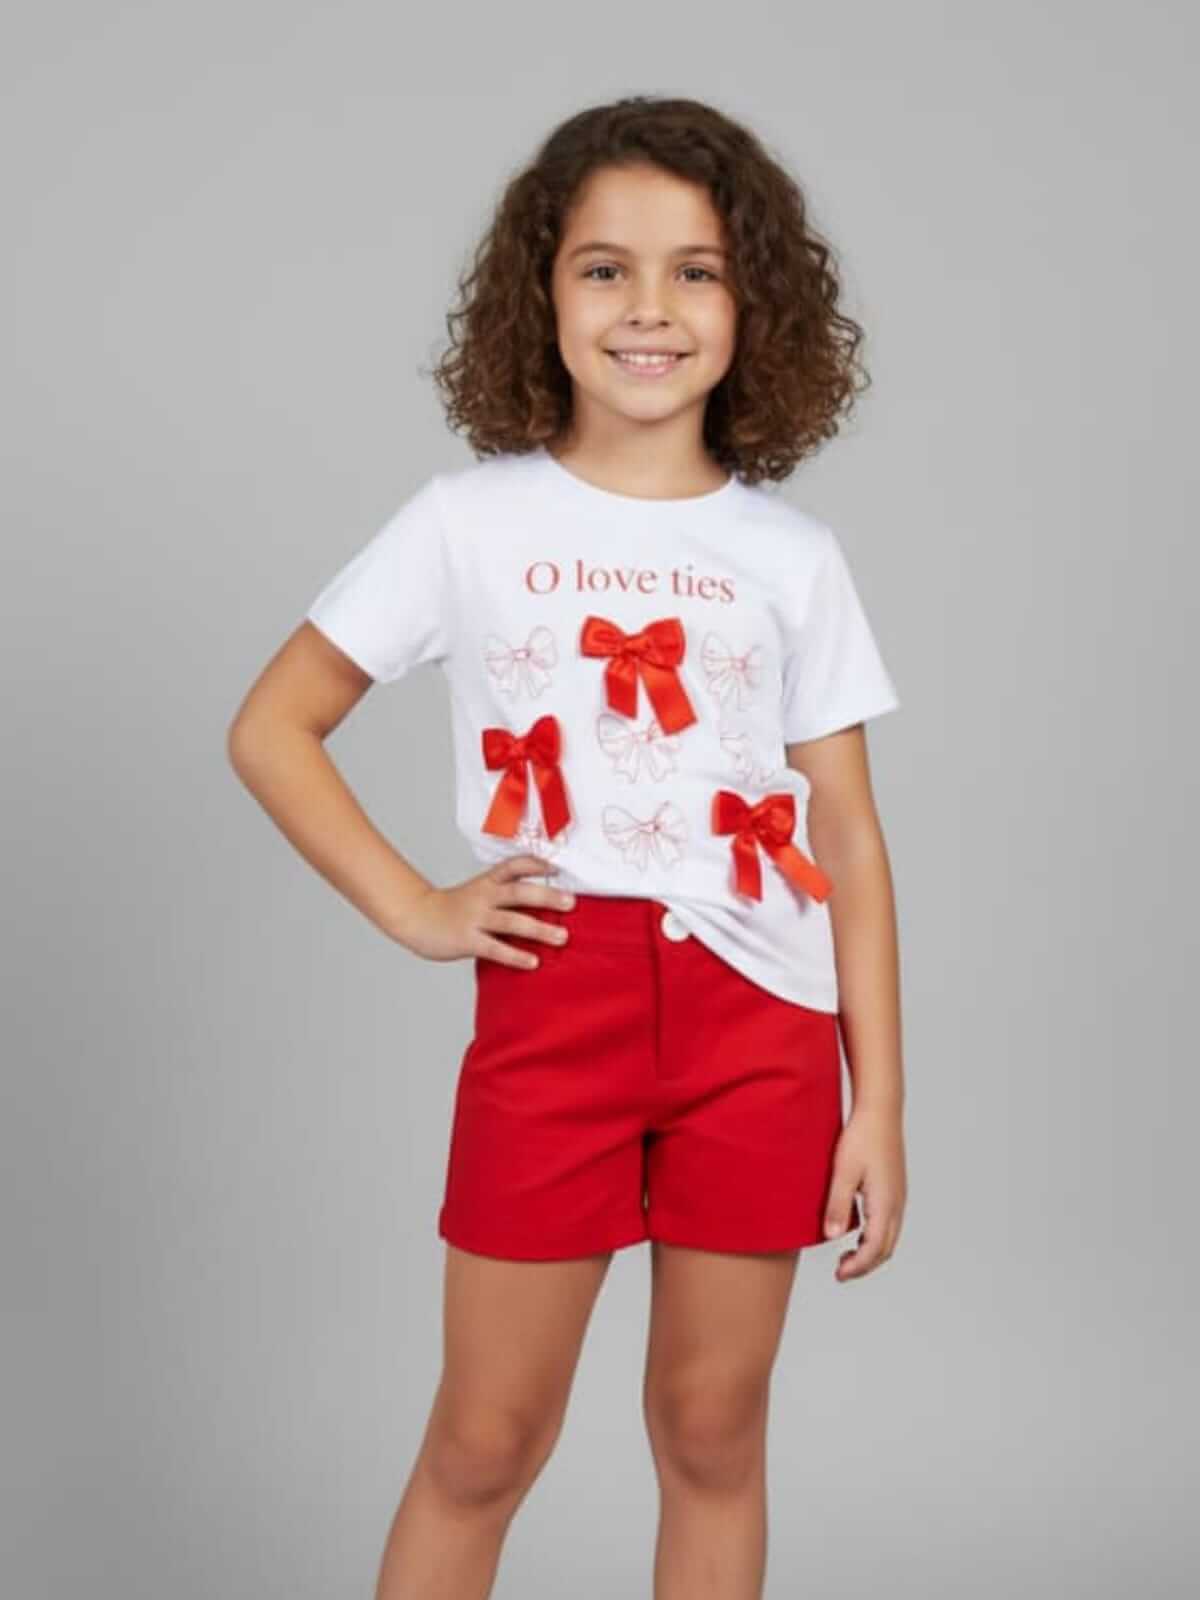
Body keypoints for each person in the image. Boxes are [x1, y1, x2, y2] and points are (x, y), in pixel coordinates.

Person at [228, 93, 908, 1600]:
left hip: (763, 1028)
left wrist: (880, 1103)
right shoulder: (466, 524)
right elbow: (273, 726)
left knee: (713, 1430)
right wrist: (417, 907)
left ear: (753, 303)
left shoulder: (794, 559)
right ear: (540, 294)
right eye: (606, 268)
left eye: (696, 271)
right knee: (485, 1442)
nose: (649, 308)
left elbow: (850, 837)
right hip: (557, 1011)